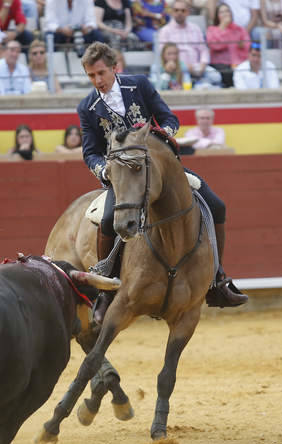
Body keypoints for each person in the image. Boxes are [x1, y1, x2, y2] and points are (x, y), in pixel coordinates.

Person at [77, 42, 247, 312]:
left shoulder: (139, 85)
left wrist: (161, 135)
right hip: (123, 180)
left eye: (101, 73)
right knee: (109, 219)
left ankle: (217, 279)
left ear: (114, 68)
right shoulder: (87, 107)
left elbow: (169, 119)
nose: (97, 81)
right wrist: (104, 170)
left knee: (216, 206)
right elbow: (90, 153)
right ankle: (106, 287)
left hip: (160, 170)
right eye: (91, 76)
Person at [157, 0, 221, 88]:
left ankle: (201, 84)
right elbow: (163, 53)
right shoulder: (165, 31)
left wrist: (203, 64)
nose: (179, 13)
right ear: (171, 12)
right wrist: (184, 67)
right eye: (176, 10)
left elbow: (203, 50)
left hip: (196, 66)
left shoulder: (195, 28)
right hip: (177, 68)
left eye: (183, 10)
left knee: (216, 77)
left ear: (188, 12)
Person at [207, 2, 250, 87]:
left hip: (238, 64)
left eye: (227, 11)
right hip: (219, 65)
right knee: (227, 74)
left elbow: (247, 46)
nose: (225, 14)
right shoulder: (212, 29)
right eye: (221, 12)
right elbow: (215, 46)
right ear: (217, 15)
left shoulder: (239, 29)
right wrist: (223, 27)